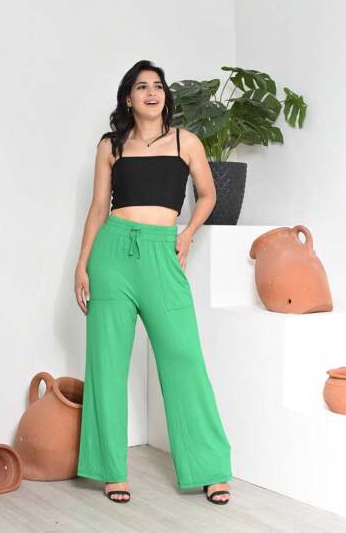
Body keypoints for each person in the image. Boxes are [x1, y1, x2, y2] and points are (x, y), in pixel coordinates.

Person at [73, 59, 232, 505]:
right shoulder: (111, 145)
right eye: (141, 86)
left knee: (184, 358)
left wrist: (188, 234)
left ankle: (210, 468)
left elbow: (208, 195)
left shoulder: (186, 141)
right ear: (128, 97)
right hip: (112, 255)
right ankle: (111, 470)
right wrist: (82, 264)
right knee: (106, 363)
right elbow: (98, 208)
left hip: (163, 252)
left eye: (157, 86)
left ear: (165, 96)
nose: (151, 92)